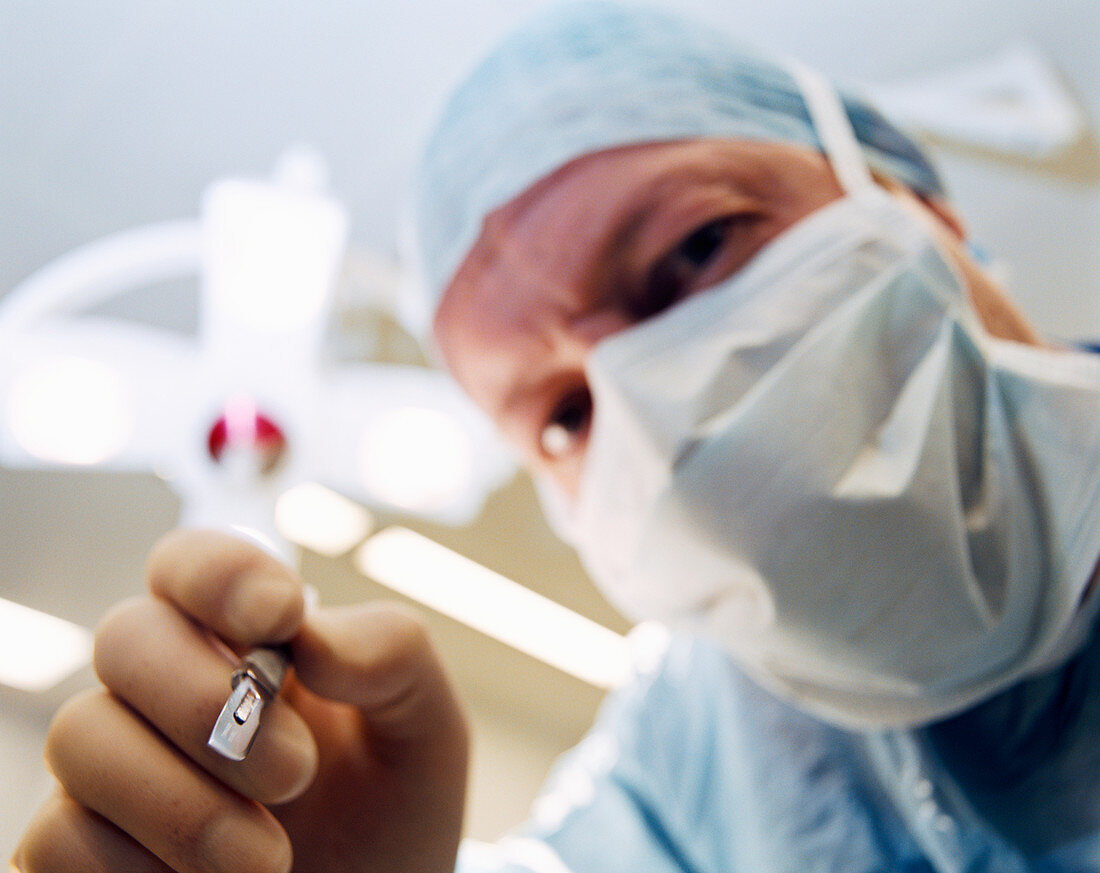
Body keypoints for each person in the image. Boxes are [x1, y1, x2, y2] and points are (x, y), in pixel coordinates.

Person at [13, 3, 1100, 872]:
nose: (664, 423)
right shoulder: (681, 767)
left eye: (697, 247)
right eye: (565, 414)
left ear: (910, 199)